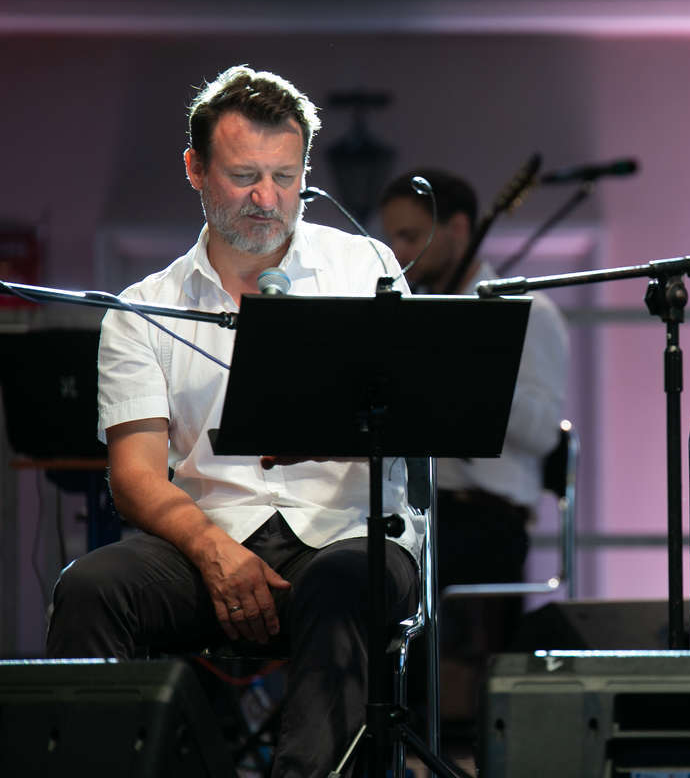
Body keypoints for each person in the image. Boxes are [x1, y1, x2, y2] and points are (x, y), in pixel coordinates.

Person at [45, 65, 423, 778]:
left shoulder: (367, 268)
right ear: (195, 169)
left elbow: (413, 416)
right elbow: (134, 478)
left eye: (285, 177)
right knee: (90, 588)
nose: (267, 198)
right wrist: (212, 551)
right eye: (244, 176)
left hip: (345, 535)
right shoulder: (143, 308)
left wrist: (336, 428)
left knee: (342, 583)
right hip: (205, 540)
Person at [378, 168, 569, 723]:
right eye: (392, 237)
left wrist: (468, 367)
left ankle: (440, 722)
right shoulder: (410, 312)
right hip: (415, 512)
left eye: (411, 236)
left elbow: (542, 433)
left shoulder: (526, 312)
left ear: (458, 229)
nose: (398, 252)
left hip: (484, 518)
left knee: (419, 561)